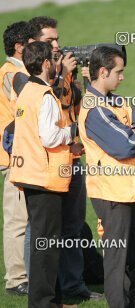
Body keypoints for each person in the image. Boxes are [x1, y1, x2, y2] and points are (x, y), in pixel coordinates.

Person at [78, 46, 135, 307]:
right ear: (103, 72)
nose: (122, 77)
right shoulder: (95, 109)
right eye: (118, 71)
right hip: (111, 193)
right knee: (117, 256)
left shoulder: (118, 102)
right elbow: (123, 146)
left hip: (132, 191)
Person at [9, 41, 77, 307]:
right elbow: (49, 137)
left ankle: (52, 299)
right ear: (47, 64)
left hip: (30, 175)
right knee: (47, 247)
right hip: (45, 178)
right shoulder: (45, 95)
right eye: (54, 59)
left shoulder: (27, 91)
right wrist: (71, 133)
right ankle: (44, 303)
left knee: (44, 243)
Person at [0, 21, 30, 296]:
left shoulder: (14, 71)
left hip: (20, 157)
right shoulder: (12, 73)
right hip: (14, 159)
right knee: (17, 220)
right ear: (20, 47)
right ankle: (16, 278)